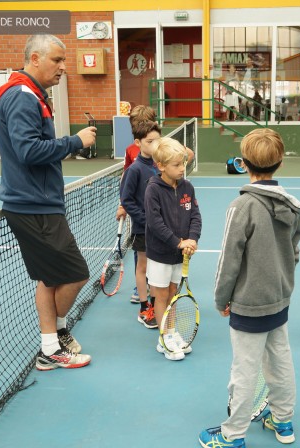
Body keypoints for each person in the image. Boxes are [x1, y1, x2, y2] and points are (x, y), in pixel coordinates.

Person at [0, 34, 96, 370]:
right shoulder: (21, 98)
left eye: (64, 61)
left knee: (49, 279)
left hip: (40, 203)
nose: (64, 67)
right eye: (57, 60)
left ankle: (52, 343)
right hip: (33, 206)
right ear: (35, 58)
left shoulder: (30, 94)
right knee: (75, 274)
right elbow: (28, 151)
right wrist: (73, 141)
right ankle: (53, 341)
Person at [199, 128, 300, 448]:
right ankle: (283, 420)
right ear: (280, 163)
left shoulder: (240, 207)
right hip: (280, 299)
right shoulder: (292, 204)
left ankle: (233, 435)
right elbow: (295, 252)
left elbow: (228, 260)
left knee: (244, 371)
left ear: (242, 163)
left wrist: (221, 298)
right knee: (280, 360)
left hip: (248, 303)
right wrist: (281, 283)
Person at [144, 137, 202, 361]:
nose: (182, 169)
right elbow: (155, 223)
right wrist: (178, 242)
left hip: (180, 255)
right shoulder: (153, 190)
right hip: (160, 255)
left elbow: (195, 215)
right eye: (176, 165)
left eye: (183, 164)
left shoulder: (187, 187)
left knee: (173, 294)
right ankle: (164, 337)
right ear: (161, 166)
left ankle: (172, 331)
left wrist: (193, 239)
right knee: (160, 296)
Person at [120, 120, 162, 329]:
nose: (155, 145)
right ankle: (144, 307)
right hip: (142, 229)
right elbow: (126, 200)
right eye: (149, 141)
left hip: (160, 229)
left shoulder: (158, 166)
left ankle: (155, 304)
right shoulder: (134, 169)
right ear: (138, 142)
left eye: (157, 140)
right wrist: (145, 220)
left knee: (156, 268)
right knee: (143, 267)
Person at [116, 105, 158, 303]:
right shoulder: (131, 151)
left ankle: (156, 284)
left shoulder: (160, 147)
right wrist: (122, 205)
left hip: (159, 214)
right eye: (137, 124)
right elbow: (126, 178)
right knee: (139, 254)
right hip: (140, 217)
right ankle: (141, 285)